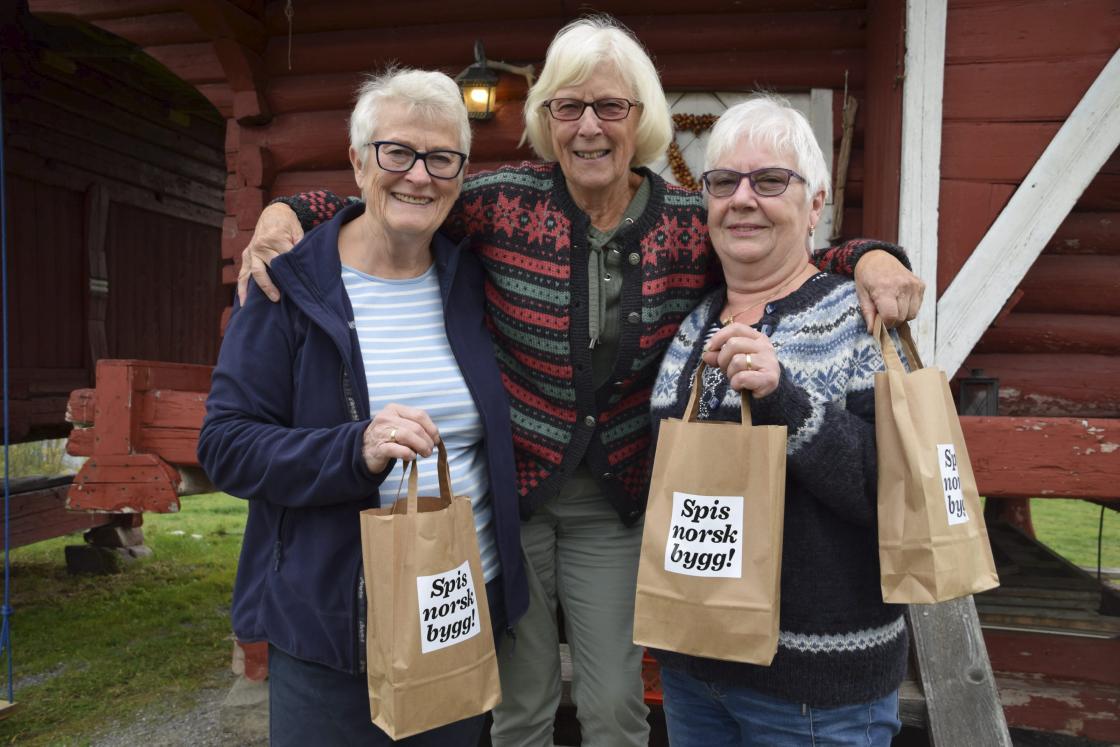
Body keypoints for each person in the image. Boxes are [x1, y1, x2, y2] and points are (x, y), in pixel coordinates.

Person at [237, 17, 923, 747]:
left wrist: (873, 257)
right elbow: (400, 192)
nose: (589, 126)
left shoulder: (691, 220)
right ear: (546, 119)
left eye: (610, 107)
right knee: (521, 704)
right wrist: (284, 209)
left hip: (616, 506)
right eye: (569, 106)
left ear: (642, 120)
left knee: (614, 706)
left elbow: (781, 235)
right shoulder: (500, 203)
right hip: (515, 500)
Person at [197, 68, 527, 746]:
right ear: (357, 160)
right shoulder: (285, 287)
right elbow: (225, 444)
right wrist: (353, 448)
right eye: (396, 152)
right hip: (332, 623)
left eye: (442, 158)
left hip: (455, 608)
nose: (418, 175)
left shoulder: (473, 280)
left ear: (461, 174)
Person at [649, 94, 908, 746]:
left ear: (815, 204)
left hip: (818, 685)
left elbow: (900, 492)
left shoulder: (861, 319)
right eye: (723, 182)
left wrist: (784, 397)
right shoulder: (692, 326)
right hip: (696, 669)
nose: (742, 199)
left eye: (769, 181)